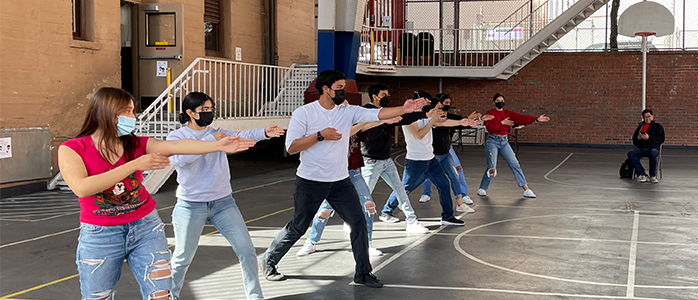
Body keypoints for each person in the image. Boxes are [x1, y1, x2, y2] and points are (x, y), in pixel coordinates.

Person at [58, 87, 255, 300]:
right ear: (107, 113)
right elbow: (82, 187)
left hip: (146, 227)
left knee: (161, 294)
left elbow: (176, 146)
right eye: (127, 112)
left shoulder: (136, 143)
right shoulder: (72, 148)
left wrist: (216, 145)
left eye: (133, 111)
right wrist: (134, 164)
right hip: (101, 234)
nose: (132, 117)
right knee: (98, 296)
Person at [260, 70, 427, 287]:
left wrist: (404, 109)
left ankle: (363, 273)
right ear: (325, 89)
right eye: (338, 88)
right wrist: (320, 135)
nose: (343, 92)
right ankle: (269, 260)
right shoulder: (305, 113)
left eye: (344, 88)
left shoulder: (347, 111)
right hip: (310, 181)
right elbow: (291, 147)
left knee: (358, 222)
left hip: (340, 181)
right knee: (299, 226)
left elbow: (377, 115)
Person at [166, 92, 283, 300]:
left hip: (223, 203)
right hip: (190, 205)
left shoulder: (218, 132)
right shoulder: (178, 137)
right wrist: (213, 141)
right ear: (190, 113)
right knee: (182, 258)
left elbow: (243, 136)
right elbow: (181, 160)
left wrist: (264, 132)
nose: (209, 113)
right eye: (204, 110)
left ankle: (255, 296)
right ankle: (169, 296)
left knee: (247, 250)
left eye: (211, 109)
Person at [296, 107, 405, 258]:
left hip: (354, 173)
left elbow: (365, 126)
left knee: (369, 207)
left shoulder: (356, 124)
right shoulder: (335, 129)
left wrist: (383, 120)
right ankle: (312, 241)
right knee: (324, 212)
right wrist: (380, 120)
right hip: (337, 176)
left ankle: (367, 244)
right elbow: (349, 131)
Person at [381, 91, 480, 226]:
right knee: (405, 188)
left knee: (444, 184)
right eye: (426, 103)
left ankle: (447, 216)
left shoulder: (427, 115)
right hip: (415, 161)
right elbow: (419, 134)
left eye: (428, 103)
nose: (428, 105)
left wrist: (462, 122)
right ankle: (386, 211)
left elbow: (442, 123)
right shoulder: (408, 118)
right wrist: (431, 121)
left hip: (431, 159)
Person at [359, 84, 429, 232]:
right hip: (371, 161)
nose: (387, 97)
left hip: (386, 160)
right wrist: (384, 122)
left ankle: (411, 220)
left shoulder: (386, 111)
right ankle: (354, 221)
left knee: (400, 190)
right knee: (365, 195)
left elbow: (404, 118)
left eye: (387, 94)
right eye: (384, 94)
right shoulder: (367, 111)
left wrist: (425, 114)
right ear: (374, 96)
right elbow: (368, 136)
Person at [418, 93, 487, 212]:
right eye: (442, 106)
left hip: (446, 153)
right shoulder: (432, 121)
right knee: (420, 178)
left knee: (454, 176)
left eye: (446, 105)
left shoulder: (445, 117)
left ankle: (460, 203)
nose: (444, 109)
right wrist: (464, 121)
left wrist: (468, 121)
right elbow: (445, 123)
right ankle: (402, 198)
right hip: (433, 154)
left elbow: (455, 121)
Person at [477, 93, 550, 198]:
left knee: (515, 163)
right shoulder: (490, 113)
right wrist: (502, 122)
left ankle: (526, 189)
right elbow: (491, 128)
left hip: (504, 141)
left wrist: (535, 119)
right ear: (494, 103)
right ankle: (483, 188)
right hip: (492, 141)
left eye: (502, 100)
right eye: (498, 101)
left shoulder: (508, 113)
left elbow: (521, 118)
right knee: (492, 167)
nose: (500, 102)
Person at [628, 109, 665, 183]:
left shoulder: (657, 126)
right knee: (631, 154)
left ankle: (653, 176)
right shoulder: (640, 127)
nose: (647, 119)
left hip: (653, 148)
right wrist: (637, 138)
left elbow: (661, 139)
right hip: (642, 148)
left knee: (653, 153)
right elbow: (635, 141)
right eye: (645, 117)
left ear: (652, 117)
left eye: (648, 116)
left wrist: (649, 138)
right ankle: (642, 173)